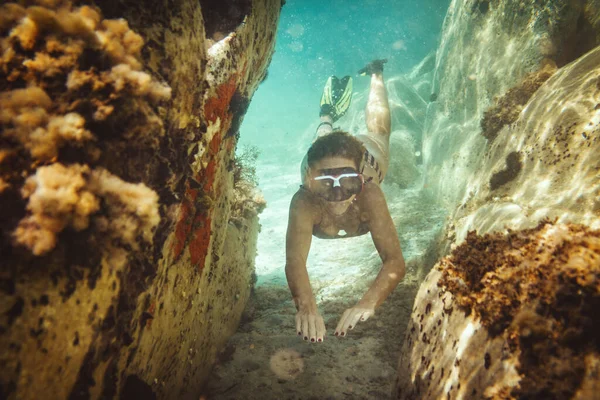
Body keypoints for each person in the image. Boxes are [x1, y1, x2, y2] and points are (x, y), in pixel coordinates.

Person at [285, 59, 406, 343]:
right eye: (325, 183)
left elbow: (395, 262)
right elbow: (294, 260)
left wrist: (367, 303)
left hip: (366, 154)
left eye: (349, 183)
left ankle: (376, 73)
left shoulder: (369, 193)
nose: (338, 194)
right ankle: (326, 117)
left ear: (360, 180)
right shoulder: (304, 200)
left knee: (378, 134)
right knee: (324, 141)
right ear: (309, 181)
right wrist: (307, 306)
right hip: (322, 159)